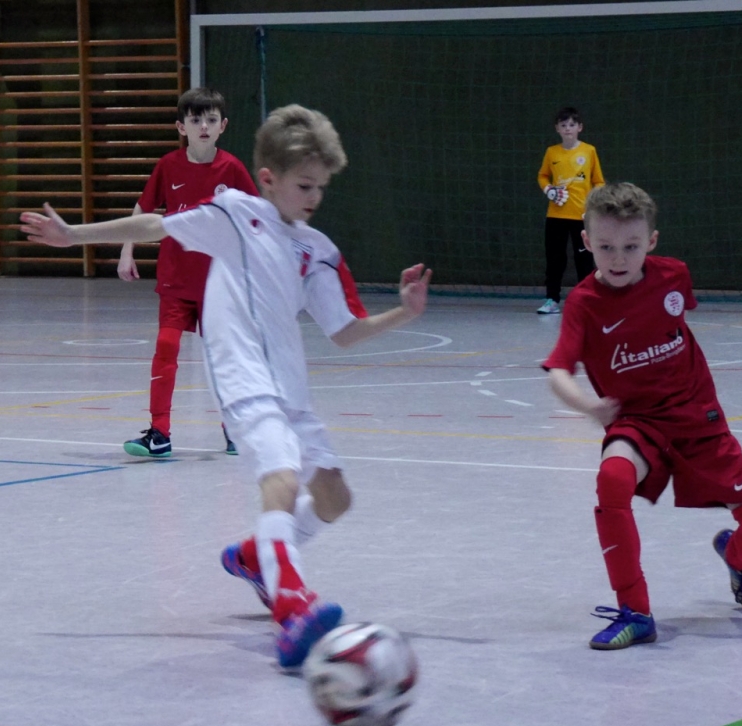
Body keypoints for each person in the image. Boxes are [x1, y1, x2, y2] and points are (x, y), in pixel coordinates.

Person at [21, 104, 433, 668]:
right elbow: (155, 225)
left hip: (292, 392)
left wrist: (404, 313)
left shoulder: (318, 249)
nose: (314, 196)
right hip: (243, 378)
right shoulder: (235, 214)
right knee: (281, 478)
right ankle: (292, 606)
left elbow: (343, 331)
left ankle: (259, 556)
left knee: (335, 497)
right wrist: (74, 236)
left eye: (321, 186)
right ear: (268, 179)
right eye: (304, 185)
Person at [542, 182, 742, 650]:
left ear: (651, 241)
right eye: (606, 247)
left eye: (631, 247)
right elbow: (558, 371)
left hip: (697, 419)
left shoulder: (674, 277)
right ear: (586, 241)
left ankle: (736, 556)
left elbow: (672, 325)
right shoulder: (583, 304)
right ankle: (635, 612)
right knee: (613, 478)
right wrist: (589, 407)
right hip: (636, 422)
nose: (618, 258)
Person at [118, 87, 260, 459]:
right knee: (166, 347)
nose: (203, 127)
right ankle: (159, 433)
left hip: (219, 285)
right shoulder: (168, 165)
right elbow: (143, 210)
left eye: (211, 120)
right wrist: (127, 249)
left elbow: (256, 216)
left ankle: (235, 429)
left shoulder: (232, 169)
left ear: (223, 126)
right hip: (176, 280)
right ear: (181, 127)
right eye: (196, 120)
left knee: (223, 359)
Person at [536, 106, 605, 315]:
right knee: (555, 259)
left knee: (584, 260)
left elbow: (599, 181)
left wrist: (592, 205)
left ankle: (586, 300)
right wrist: (549, 190)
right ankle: (552, 299)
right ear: (557, 128)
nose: (568, 128)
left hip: (581, 217)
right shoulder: (552, 152)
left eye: (572, 125)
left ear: (580, 127)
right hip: (556, 215)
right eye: (563, 125)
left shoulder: (589, 151)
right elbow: (542, 176)